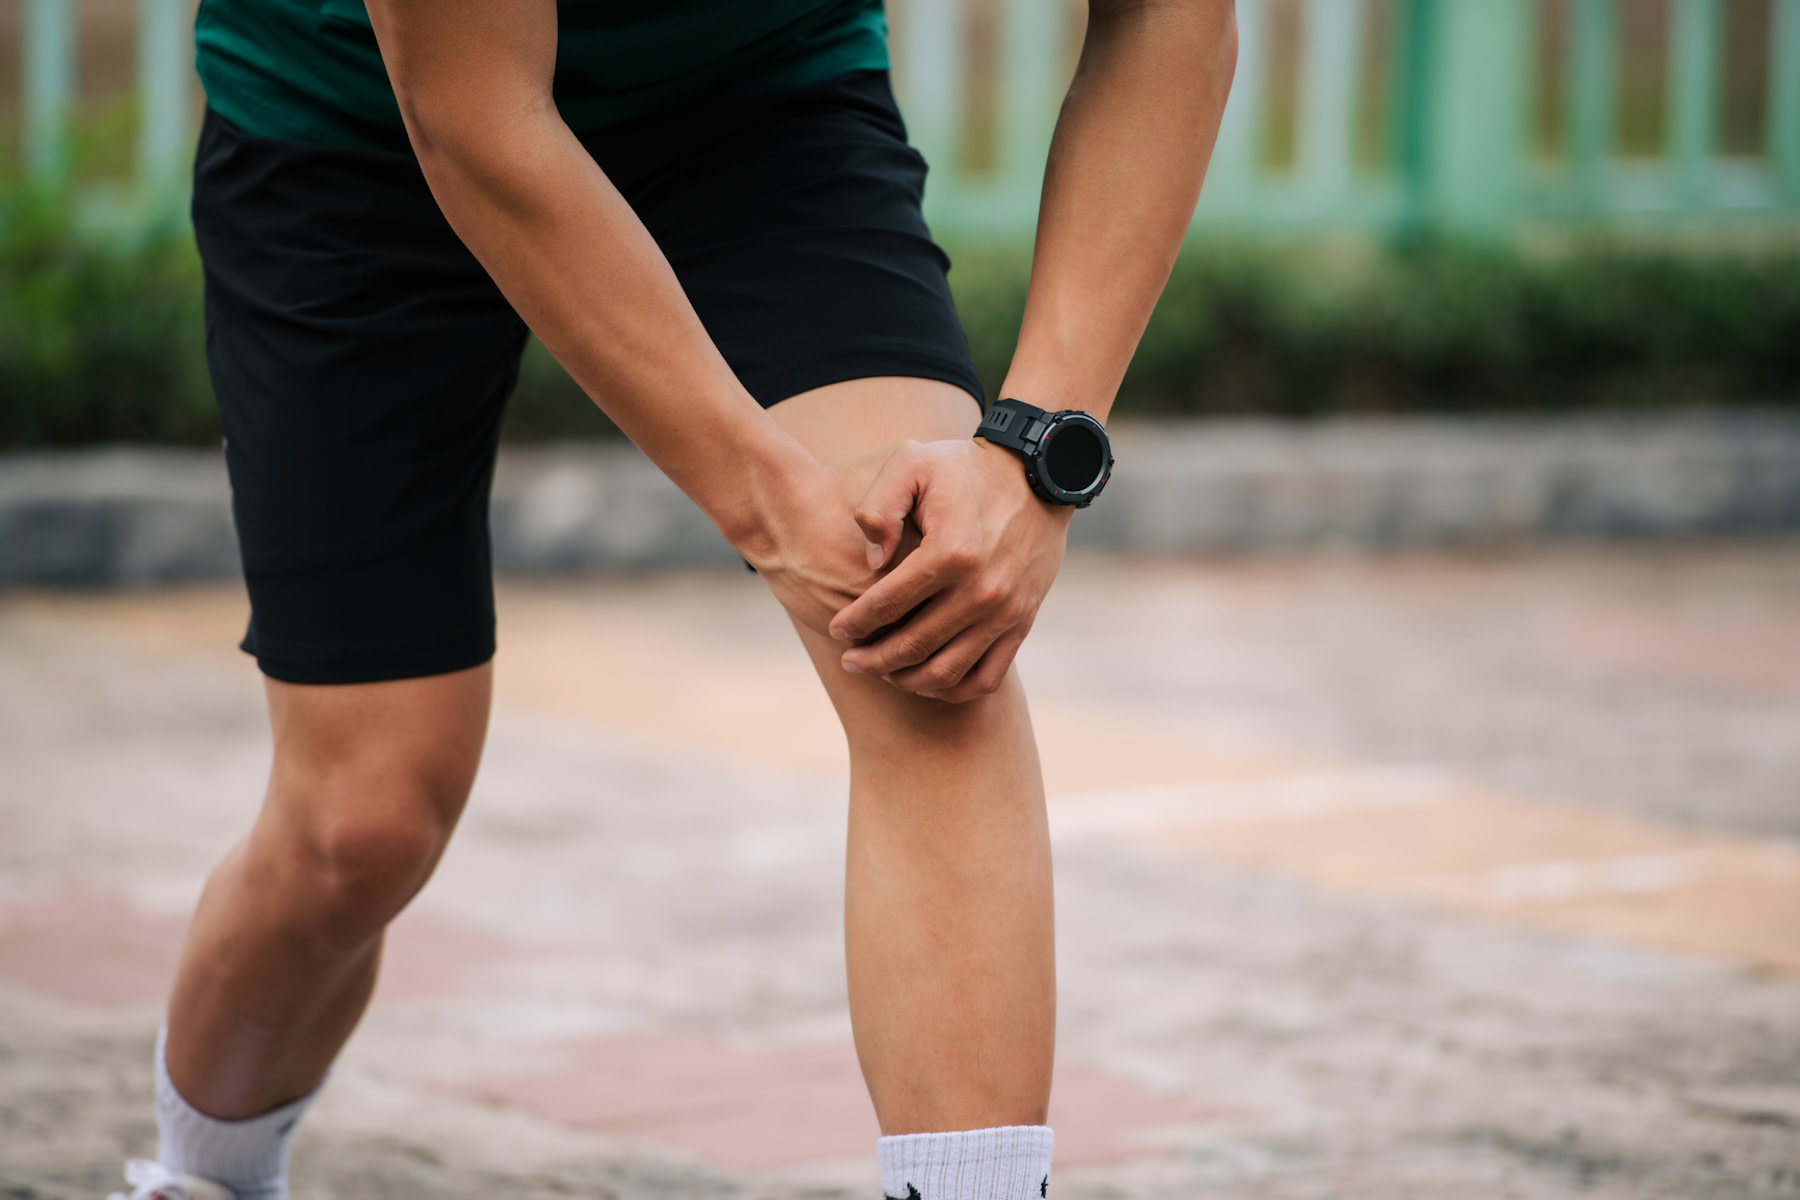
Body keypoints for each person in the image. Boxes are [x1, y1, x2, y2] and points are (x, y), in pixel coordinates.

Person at [109, 1, 1235, 1198]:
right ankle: (205, 1174)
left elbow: (1174, 16)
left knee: (924, 629)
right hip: (364, 128)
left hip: (753, 103)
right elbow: (478, 120)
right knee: (362, 824)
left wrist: (1032, 450)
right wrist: (765, 503)